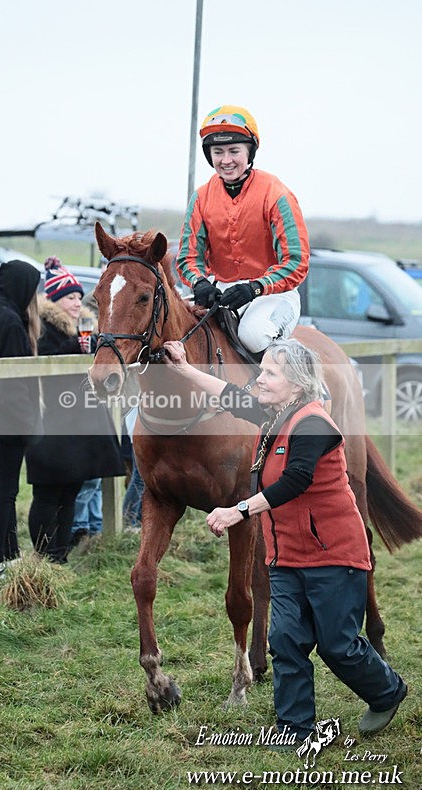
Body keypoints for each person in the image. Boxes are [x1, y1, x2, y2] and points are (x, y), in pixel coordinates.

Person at [163, 337, 408, 745]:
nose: (259, 379)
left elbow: (295, 480)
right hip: (286, 557)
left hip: (334, 556)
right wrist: (185, 368)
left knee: (338, 646)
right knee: (285, 641)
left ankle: (387, 691)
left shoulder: (314, 424)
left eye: (270, 374)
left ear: (295, 384)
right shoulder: (272, 412)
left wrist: (238, 510)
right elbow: (228, 394)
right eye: (261, 372)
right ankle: (295, 730)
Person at [177, 105, 309, 354]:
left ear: (249, 152)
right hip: (222, 291)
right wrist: (199, 282)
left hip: (274, 294)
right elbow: (188, 258)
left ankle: (288, 371)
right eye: (218, 152)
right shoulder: (201, 198)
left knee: (253, 336)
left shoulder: (276, 194)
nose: (226, 160)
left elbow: (296, 262)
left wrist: (255, 287)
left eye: (234, 151)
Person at [25, 257, 124, 563]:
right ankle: (44, 554)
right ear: (54, 300)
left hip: (80, 418)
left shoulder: (84, 328)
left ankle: (60, 554)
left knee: (71, 489)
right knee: (48, 492)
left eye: (79, 297)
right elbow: (44, 361)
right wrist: (75, 351)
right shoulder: (43, 327)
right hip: (53, 419)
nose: (76, 303)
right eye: (70, 297)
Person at [0, 259, 43, 581]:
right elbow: (14, 384)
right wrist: (29, 424)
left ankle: (11, 557)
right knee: (6, 491)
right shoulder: (12, 323)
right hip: (11, 418)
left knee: (7, 488)